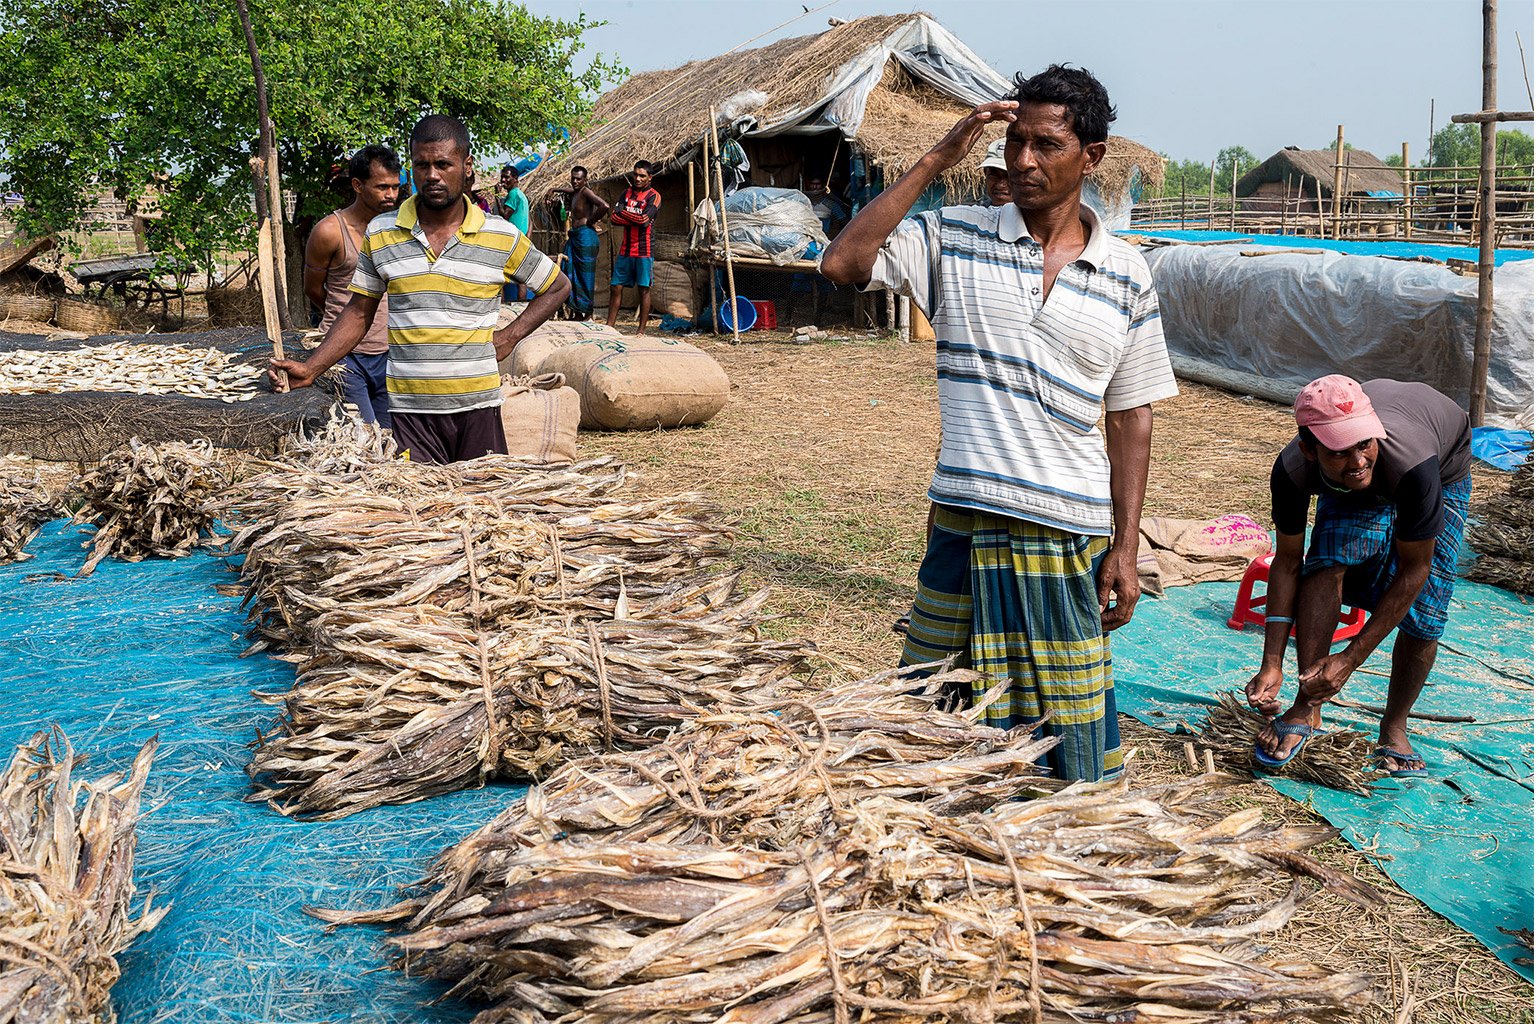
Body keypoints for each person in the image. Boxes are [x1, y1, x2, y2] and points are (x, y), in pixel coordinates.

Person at [820, 65, 1178, 782]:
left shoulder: (1128, 273)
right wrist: (936, 158)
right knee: (933, 707)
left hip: (1066, 523)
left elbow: (1130, 414)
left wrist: (1126, 546)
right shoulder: (952, 236)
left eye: (1045, 145)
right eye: (1014, 142)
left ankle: (1063, 831)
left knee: (1067, 720)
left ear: (1092, 157)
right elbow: (841, 262)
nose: (1022, 161)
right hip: (966, 512)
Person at [269, 114, 572, 464]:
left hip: (478, 406)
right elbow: (359, 312)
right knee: (421, 512)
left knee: (481, 509)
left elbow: (557, 287)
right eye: (421, 165)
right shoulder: (383, 232)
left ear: (467, 165)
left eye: (443, 164)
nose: (432, 176)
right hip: (410, 412)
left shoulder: (499, 234)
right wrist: (311, 368)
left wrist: (508, 336)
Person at [1247, 376, 1473, 778]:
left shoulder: (1414, 468)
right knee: (1328, 559)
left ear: (1375, 432)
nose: (1356, 461)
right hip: (1357, 473)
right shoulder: (1293, 470)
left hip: (1442, 463)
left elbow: (1415, 568)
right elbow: (1287, 562)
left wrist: (1350, 659)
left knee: (1427, 606)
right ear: (1309, 449)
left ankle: (1395, 726)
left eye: (1364, 443)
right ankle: (1307, 706)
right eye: (1338, 451)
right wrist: (1271, 662)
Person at [303, 144, 400, 428]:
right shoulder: (330, 232)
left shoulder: (398, 230)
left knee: (391, 438)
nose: (391, 195)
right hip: (344, 358)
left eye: (395, 187)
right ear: (357, 185)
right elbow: (314, 290)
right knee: (361, 438)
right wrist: (348, 318)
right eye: (382, 187)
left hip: (389, 353)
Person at [548, 165, 609, 320]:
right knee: (571, 271)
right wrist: (555, 189)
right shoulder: (577, 192)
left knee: (584, 275)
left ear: (585, 180)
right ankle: (576, 310)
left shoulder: (586, 192)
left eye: (578, 179)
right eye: (573, 178)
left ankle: (587, 312)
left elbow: (604, 205)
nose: (575, 181)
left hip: (585, 237)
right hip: (576, 237)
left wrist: (590, 221)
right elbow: (570, 190)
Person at [607, 160, 660, 335]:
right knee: (616, 287)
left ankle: (641, 331)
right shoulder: (625, 193)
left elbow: (645, 221)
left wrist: (624, 213)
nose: (637, 178)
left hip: (644, 251)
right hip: (625, 249)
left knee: (644, 289)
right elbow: (614, 219)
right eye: (635, 175)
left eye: (642, 176)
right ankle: (609, 327)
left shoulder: (654, 196)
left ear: (649, 178)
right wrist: (635, 216)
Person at [492, 164, 531, 301]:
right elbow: (529, 221)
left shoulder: (513, 195)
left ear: (515, 179)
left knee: (499, 274)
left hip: (512, 240)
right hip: (521, 239)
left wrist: (497, 196)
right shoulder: (521, 195)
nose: (503, 181)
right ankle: (521, 306)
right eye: (502, 177)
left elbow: (505, 215)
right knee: (521, 278)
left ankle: (501, 307)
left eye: (506, 177)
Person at [980, 138, 1011, 206]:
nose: (1000, 186)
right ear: (985, 173)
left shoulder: (1035, 215)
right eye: (993, 176)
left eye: (1008, 176)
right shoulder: (976, 213)